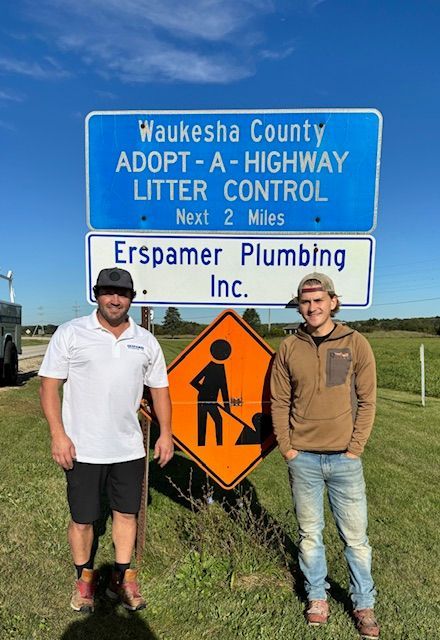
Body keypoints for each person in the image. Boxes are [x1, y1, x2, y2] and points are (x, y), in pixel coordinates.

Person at [39, 267, 173, 614]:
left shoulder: (145, 341)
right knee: (83, 518)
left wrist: (166, 433)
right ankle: (84, 580)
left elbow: (160, 389)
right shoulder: (71, 333)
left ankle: (122, 577)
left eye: (122, 294)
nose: (115, 299)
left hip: (128, 447)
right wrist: (58, 434)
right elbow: (50, 386)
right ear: (96, 294)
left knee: (126, 514)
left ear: (131, 298)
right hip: (82, 447)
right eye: (107, 292)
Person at [270, 272, 380, 639]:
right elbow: (280, 400)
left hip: (344, 459)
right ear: (299, 306)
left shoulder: (356, 343)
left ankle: (363, 602)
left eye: (319, 300)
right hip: (302, 458)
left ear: (333, 302)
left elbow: (367, 400)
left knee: (355, 538)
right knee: (309, 535)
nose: (312, 307)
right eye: (305, 301)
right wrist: (287, 447)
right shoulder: (289, 347)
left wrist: (355, 448)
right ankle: (318, 596)